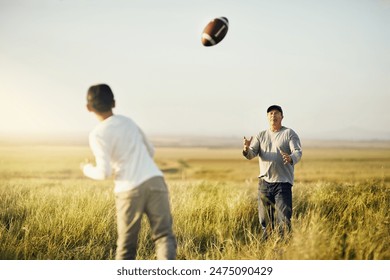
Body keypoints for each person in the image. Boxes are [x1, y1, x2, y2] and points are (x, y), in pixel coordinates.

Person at [81, 84, 176, 259]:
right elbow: (151, 151)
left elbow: (103, 172)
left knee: (126, 247)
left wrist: (86, 169)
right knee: (164, 237)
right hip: (155, 180)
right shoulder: (128, 122)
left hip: (128, 188)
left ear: (88, 108)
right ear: (114, 103)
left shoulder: (97, 134)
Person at [242, 105, 302, 240]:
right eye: (270, 113)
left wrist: (291, 158)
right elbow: (251, 154)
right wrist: (246, 149)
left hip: (283, 184)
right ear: (267, 117)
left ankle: (283, 250)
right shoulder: (261, 135)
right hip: (265, 184)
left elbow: (298, 152)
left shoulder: (289, 133)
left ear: (282, 117)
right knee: (265, 220)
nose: (273, 115)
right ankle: (267, 251)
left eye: (276, 113)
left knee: (284, 220)